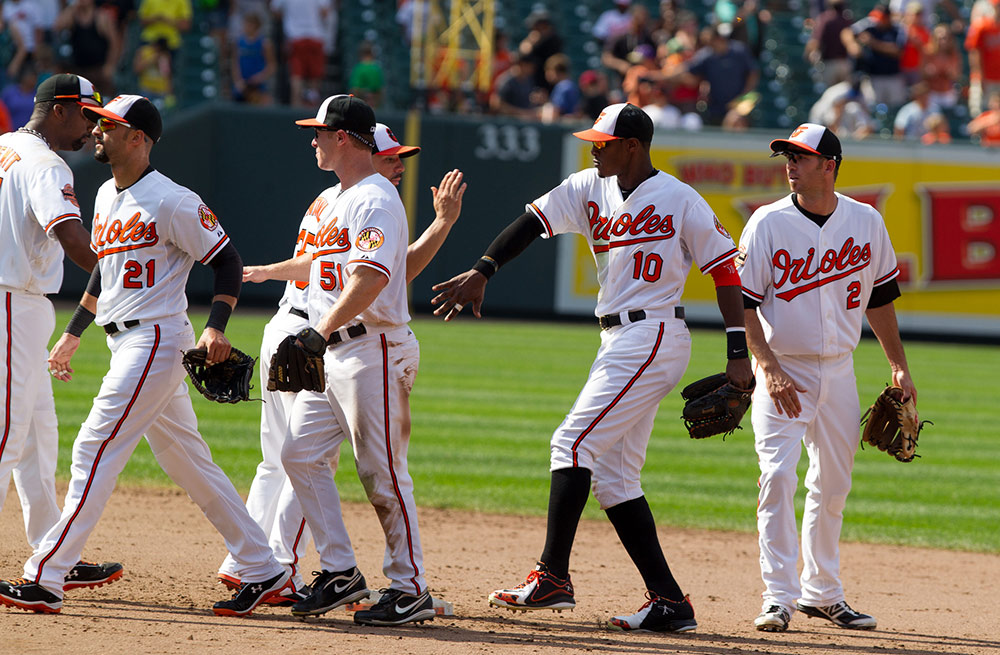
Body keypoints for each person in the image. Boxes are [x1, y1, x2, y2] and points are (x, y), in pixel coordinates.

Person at [430, 103, 753, 632]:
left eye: (602, 142)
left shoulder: (680, 199)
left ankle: (553, 576)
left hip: (653, 332)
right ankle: (669, 601)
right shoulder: (589, 185)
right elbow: (531, 223)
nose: (593, 148)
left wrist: (737, 351)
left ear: (633, 146)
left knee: (571, 444)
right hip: (618, 337)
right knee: (615, 478)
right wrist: (483, 268)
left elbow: (723, 271)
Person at [0, 94, 289, 616]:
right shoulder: (109, 194)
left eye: (109, 125)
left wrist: (215, 328)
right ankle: (264, 567)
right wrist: (74, 332)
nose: (97, 131)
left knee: (93, 445)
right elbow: (101, 272)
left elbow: (228, 261)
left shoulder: (173, 199)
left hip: (156, 338)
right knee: (188, 461)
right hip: (125, 338)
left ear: (139, 138)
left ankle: (46, 575)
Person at [217, 120, 465, 611]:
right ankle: (340, 572)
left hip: (371, 346)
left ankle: (410, 588)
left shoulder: (374, 199)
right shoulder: (339, 200)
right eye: (395, 156)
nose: (400, 165)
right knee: (299, 455)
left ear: (344, 139)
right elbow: (331, 267)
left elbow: (375, 278)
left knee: (383, 473)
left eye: (320, 134)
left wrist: (319, 329)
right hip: (335, 348)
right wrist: (278, 281)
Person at [738, 123, 915, 633]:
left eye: (801, 156)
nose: (790, 164)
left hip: (839, 369)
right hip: (782, 369)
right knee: (776, 477)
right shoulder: (767, 223)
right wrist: (766, 368)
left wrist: (898, 364)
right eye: (787, 156)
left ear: (830, 165)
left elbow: (880, 300)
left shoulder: (865, 221)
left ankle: (823, 592)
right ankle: (778, 597)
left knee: (833, 484)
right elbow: (744, 305)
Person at [0, 74, 127, 604]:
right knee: (8, 435)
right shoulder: (47, 164)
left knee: (37, 435)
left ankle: (52, 551)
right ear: (58, 110)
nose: (92, 126)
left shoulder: (6, 145)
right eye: (87, 115)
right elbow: (72, 238)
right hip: (12, 302)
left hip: (20, 301)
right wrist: (128, 272)